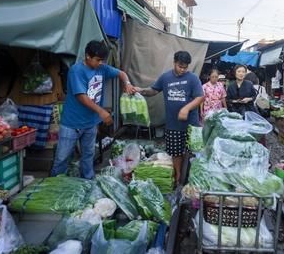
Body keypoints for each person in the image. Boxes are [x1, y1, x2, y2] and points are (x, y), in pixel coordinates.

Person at [51, 40, 136, 179]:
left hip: (90, 123)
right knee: (62, 158)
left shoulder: (102, 68)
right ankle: (54, 185)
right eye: (98, 60)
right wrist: (101, 111)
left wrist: (127, 83)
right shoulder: (76, 70)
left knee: (88, 155)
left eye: (102, 60)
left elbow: (121, 73)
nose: (101, 63)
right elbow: (82, 97)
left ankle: (88, 181)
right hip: (72, 124)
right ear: (87, 56)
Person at [135, 51, 203, 184]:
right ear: (174, 62)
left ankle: (190, 180)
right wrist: (141, 90)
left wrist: (186, 108)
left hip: (191, 126)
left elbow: (200, 97)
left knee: (191, 153)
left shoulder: (193, 78)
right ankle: (178, 177)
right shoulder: (165, 77)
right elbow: (153, 90)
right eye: (180, 66)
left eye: (185, 67)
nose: (182, 69)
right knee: (176, 153)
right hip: (173, 124)